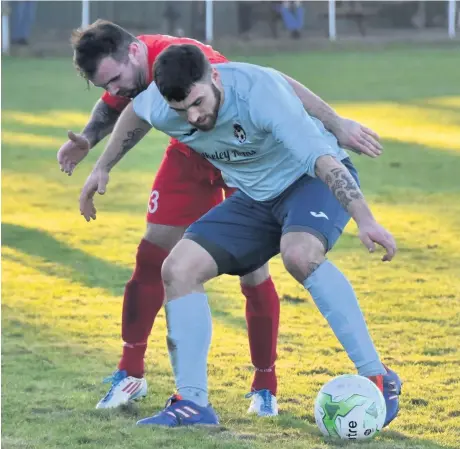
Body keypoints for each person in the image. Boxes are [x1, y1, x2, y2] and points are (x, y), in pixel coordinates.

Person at [60, 20, 384, 416]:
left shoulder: (237, 84)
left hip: (280, 166)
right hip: (232, 177)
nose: (194, 116)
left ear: (213, 78)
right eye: (183, 110)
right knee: (173, 265)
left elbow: (311, 141)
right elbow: (132, 113)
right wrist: (101, 165)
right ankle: (185, 399)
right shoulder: (158, 96)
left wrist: (363, 215)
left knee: (290, 258)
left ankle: (356, 378)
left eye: (198, 103)